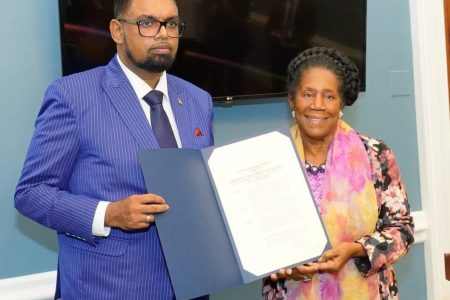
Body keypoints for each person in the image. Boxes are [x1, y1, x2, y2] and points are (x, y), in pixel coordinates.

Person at [14, 0, 213, 299]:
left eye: (171, 24)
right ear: (117, 30)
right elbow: (31, 193)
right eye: (147, 23)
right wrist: (109, 214)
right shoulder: (73, 96)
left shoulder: (199, 100)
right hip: (108, 288)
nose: (163, 34)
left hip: (191, 287)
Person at [262, 46, 414, 299]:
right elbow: (255, 233)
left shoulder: (374, 155)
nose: (317, 105)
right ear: (292, 99)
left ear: (342, 102)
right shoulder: (267, 157)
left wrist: (355, 250)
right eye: (308, 94)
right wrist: (283, 266)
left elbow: (403, 230)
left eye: (329, 96)